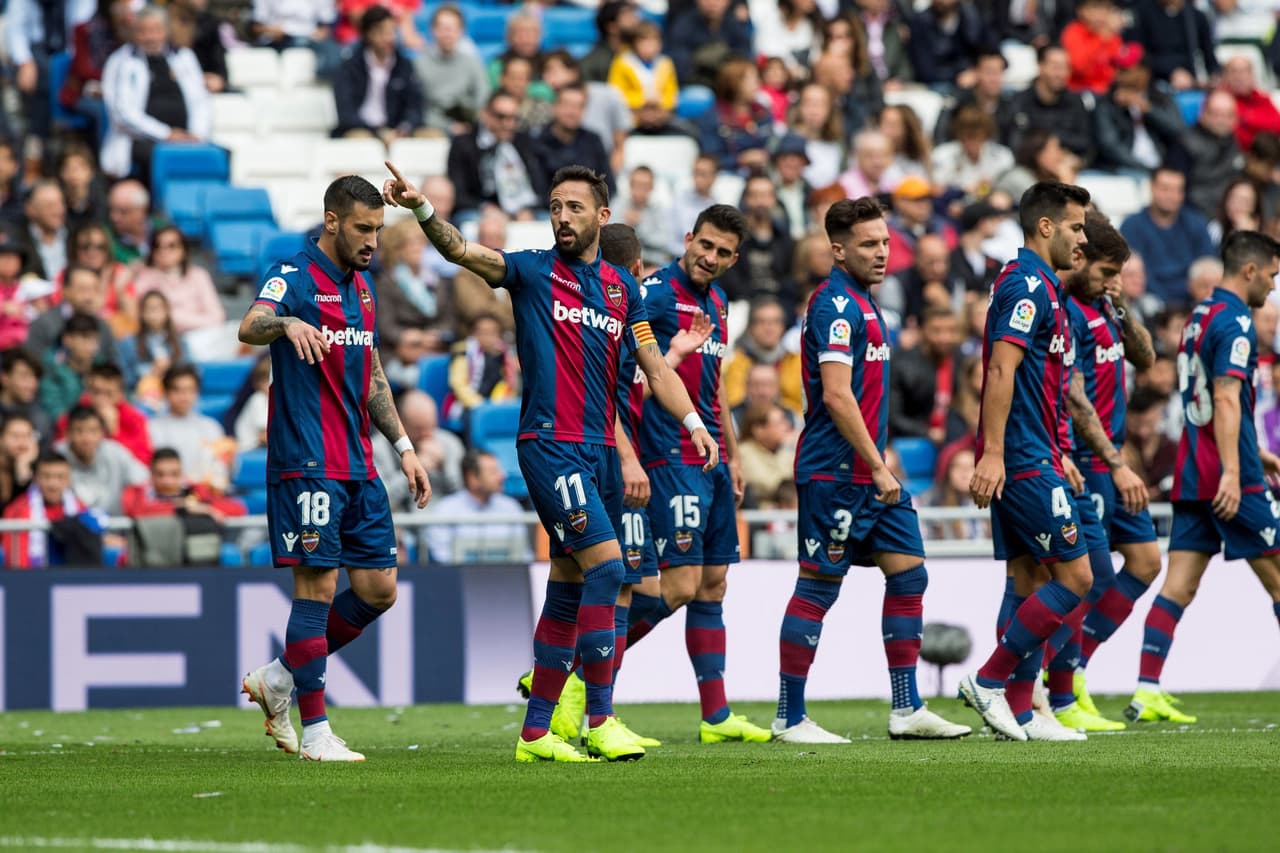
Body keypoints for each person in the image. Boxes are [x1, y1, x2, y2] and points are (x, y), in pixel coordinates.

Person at [383, 160, 716, 761]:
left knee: (568, 584)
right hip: (550, 444)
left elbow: (655, 366)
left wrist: (693, 422)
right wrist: (422, 209)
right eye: (556, 206)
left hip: (599, 452)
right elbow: (461, 251)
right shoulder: (533, 271)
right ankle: (599, 719)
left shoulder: (623, 289)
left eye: (575, 207)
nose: (563, 216)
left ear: (602, 216)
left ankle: (535, 733)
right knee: (610, 571)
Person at [237, 175, 431, 764]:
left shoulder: (365, 290)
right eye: (362, 228)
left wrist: (402, 445)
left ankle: (278, 677)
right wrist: (287, 324)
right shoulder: (292, 275)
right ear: (332, 222)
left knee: (378, 590)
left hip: (358, 461)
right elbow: (251, 324)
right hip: (306, 460)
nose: (373, 240)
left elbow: (371, 377)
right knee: (316, 590)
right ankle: (317, 733)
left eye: (377, 229)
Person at [774, 196, 972, 743]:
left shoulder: (866, 304)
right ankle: (789, 716)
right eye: (868, 244)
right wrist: (876, 463)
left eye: (885, 242)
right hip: (835, 473)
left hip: (869, 475)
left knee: (910, 572)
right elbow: (837, 396)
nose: (882, 252)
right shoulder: (836, 305)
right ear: (837, 250)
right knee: (818, 587)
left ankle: (907, 708)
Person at [607, 202, 770, 745]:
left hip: (711, 457)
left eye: (724, 252)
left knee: (713, 585)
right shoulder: (651, 295)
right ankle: (576, 671)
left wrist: (735, 453)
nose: (712, 258)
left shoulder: (720, 301)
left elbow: (717, 384)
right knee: (677, 585)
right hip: (668, 455)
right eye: (706, 245)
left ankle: (716, 716)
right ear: (688, 238)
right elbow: (630, 376)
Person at [1124, 231, 1280, 724]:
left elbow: (1208, 402)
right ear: (1249, 270)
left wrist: (1251, 450)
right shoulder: (1236, 321)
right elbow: (1227, 397)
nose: (1273, 289)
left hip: (1193, 471)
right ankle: (1146, 689)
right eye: (1272, 278)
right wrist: (1237, 469)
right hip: (1230, 477)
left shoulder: (1199, 315)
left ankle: (1146, 689)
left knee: (1178, 587)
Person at [959, 181, 1096, 742]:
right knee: (1077, 577)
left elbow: (1040, 383)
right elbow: (998, 371)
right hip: (1018, 456)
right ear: (1046, 226)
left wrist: (1058, 449)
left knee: (1028, 576)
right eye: (1076, 227)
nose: (1082, 239)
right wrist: (994, 453)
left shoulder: (1043, 288)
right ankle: (991, 681)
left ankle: (1016, 712)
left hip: (1036, 451)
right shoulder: (1026, 287)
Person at [1056, 213, 1162, 730]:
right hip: (1086, 460)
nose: (1110, 280)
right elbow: (1075, 399)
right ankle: (1062, 683)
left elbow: (1146, 357)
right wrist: (1118, 465)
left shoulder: (1105, 305)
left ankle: (1076, 665)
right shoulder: (1069, 312)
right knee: (1089, 576)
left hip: (1112, 459)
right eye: (1105, 271)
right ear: (1080, 260)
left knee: (1144, 562)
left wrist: (1121, 303)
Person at [100, 4, 211, 180]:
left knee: (220, 155)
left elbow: (201, 101)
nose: (151, 37)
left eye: (156, 30)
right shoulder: (121, 61)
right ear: (134, 33)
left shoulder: (184, 57)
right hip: (142, 140)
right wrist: (166, 134)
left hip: (187, 138)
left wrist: (195, 135)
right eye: (144, 31)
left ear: (166, 31)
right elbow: (122, 113)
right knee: (159, 158)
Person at [122, 446, 245, 566]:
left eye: (174, 474)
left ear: (182, 474)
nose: (167, 481)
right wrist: (182, 508)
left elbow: (237, 509)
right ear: (151, 475)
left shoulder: (194, 491)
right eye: (160, 474)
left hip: (193, 554)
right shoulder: (137, 493)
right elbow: (138, 512)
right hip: (152, 553)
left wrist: (204, 507)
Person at [1120, 167, 1216, 307]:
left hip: (1193, 298)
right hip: (1149, 298)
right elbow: (1133, 273)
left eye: (1178, 190)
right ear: (1151, 187)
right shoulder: (1132, 226)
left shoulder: (1197, 223)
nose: (1171, 195)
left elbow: (1208, 264)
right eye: (1165, 188)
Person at [332, 4, 425, 141]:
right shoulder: (349, 66)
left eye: (392, 31)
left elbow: (414, 107)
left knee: (431, 136)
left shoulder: (404, 65)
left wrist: (403, 128)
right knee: (359, 138)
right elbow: (346, 113)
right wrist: (376, 132)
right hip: (360, 129)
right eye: (381, 32)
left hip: (395, 131)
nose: (388, 38)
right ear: (367, 34)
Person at [446, 91, 543, 222]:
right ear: (486, 114)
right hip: (479, 211)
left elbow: (539, 185)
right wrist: (485, 208)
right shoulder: (465, 144)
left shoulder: (523, 142)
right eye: (501, 117)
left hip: (524, 210)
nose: (508, 124)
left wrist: (528, 209)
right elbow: (458, 192)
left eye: (514, 118)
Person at [422, 449, 530, 564]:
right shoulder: (445, 511)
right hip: (459, 579)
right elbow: (443, 559)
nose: (502, 476)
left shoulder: (511, 508)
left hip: (507, 578)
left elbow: (523, 555)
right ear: (472, 478)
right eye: (493, 472)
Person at [1, 450, 105, 569]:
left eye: (60, 477)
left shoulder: (79, 508)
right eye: (46, 476)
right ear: (36, 478)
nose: (53, 484)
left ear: (69, 479)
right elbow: (17, 562)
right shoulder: (16, 511)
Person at [1004, 45, 1096, 167]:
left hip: (1068, 167)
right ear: (1040, 67)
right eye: (1056, 67)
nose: (1062, 74)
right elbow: (1015, 144)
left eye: (1066, 68)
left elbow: (1086, 143)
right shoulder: (1019, 102)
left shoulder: (1075, 102)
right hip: (1028, 170)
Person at [147, 364, 230, 491]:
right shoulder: (152, 427)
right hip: (166, 495)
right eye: (177, 390)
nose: (184, 397)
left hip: (206, 494)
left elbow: (222, 469)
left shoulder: (211, 427)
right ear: (166, 392)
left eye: (190, 390)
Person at [56, 403, 149, 516]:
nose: (86, 438)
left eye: (93, 431)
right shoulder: (57, 456)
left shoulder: (116, 452)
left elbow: (144, 480)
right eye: (79, 431)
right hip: (71, 528)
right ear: (67, 433)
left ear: (102, 433)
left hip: (115, 527)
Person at [132, 225, 224, 335]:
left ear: (183, 249)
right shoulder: (144, 277)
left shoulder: (199, 275)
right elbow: (138, 315)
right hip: (162, 339)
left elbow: (217, 317)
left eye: (171, 246)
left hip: (201, 338)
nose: (164, 250)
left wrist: (172, 316)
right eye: (157, 246)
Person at [888, 307, 961, 443]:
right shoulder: (902, 364)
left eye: (952, 331)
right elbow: (893, 416)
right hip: (911, 440)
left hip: (952, 439)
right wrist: (926, 432)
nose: (945, 338)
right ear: (923, 332)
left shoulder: (960, 361)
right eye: (937, 331)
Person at [722, 297, 804, 417]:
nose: (769, 328)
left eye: (775, 322)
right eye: (762, 322)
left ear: (783, 327)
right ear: (750, 328)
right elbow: (734, 404)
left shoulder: (796, 360)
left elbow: (802, 404)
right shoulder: (736, 362)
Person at [414, 3, 489, 134]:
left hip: (468, 125)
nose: (447, 33)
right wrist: (448, 127)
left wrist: (469, 122)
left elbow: (483, 98)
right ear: (433, 30)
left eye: (452, 28)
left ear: (461, 31)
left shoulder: (472, 63)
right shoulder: (419, 64)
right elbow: (419, 107)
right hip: (431, 127)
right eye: (442, 28)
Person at [529, 84, 615, 198]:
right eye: (567, 105)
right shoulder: (538, 141)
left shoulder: (593, 140)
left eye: (578, 106)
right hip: (548, 211)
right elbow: (537, 189)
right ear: (555, 107)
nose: (572, 112)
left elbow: (608, 185)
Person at [444, 313, 519, 427]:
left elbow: (509, 383)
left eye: (492, 332)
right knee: (474, 420)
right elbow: (458, 384)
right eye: (483, 332)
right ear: (473, 333)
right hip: (470, 405)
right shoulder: (464, 353)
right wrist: (479, 405)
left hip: (496, 403)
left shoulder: (504, 355)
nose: (488, 337)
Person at [118, 289, 190, 404]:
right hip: (140, 398)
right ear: (141, 312)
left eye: (159, 308)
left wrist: (170, 370)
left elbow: (190, 374)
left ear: (167, 311)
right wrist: (151, 373)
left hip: (174, 398)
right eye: (150, 309)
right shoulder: (128, 343)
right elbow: (124, 379)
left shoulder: (180, 342)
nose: (155, 313)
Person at [736, 403, 795, 508]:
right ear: (759, 430)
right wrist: (786, 449)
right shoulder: (743, 452)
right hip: (756, 519)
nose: (787, 426)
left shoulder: (782, 449)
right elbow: (773, 486)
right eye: (779, 423)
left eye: (785, 420)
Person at [0, 348, 53, 445]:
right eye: (24, 376)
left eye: (36, 377)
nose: (32, 384)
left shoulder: (40, 419)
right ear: (5, 378)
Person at [0, 412, 39, 510]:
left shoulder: (38, 467)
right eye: (15, 436)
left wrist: (22, 467)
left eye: (27, 436)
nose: (22, 442)